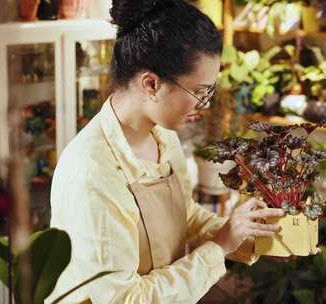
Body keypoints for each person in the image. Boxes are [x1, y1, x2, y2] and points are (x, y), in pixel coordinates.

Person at [46, 0, 284, 303]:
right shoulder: (92, 172)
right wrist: (219, 247)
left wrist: (248, 237)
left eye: (209, 91)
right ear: (151, 84)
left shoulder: (163, 138)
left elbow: (182, 218)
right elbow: (125, 299)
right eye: (199, 92)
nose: (205, 104)